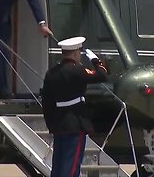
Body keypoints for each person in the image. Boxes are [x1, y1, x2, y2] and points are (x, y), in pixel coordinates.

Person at [41, 36, 108, 177]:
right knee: (71, 166)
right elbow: (102, 75)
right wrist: (96, 61)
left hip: (58, 124)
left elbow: (46, 102)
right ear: (76, 53)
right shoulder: (77, 70)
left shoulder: (51, 74)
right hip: (75, 124)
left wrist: (51, 124)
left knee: (58, 166)